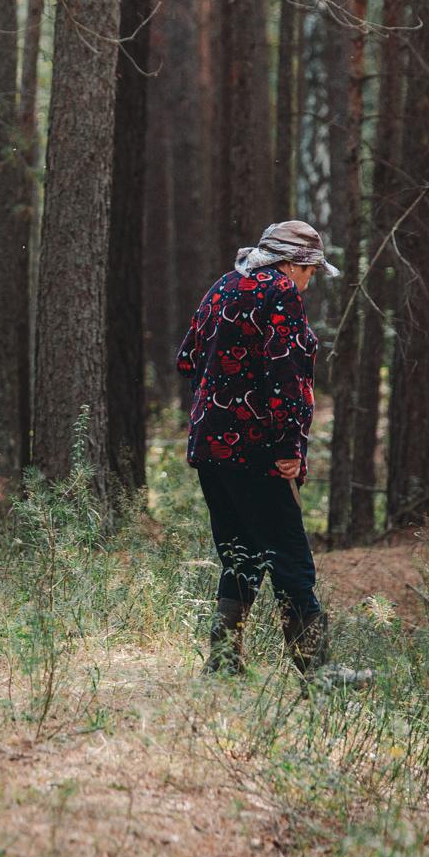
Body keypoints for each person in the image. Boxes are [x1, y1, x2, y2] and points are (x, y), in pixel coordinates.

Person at [176, 220, 336, 677]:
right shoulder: (280, 293)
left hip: (209, 445)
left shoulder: (224, 285)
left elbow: (186, 357)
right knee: (290, 557)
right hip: (259, 449)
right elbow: (288, 375)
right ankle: (317, 673)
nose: (309, 282)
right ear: (293, 263)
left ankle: (224, 663)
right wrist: (289, 445)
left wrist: (227, 377)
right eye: (310, 271)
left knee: (241, 551)